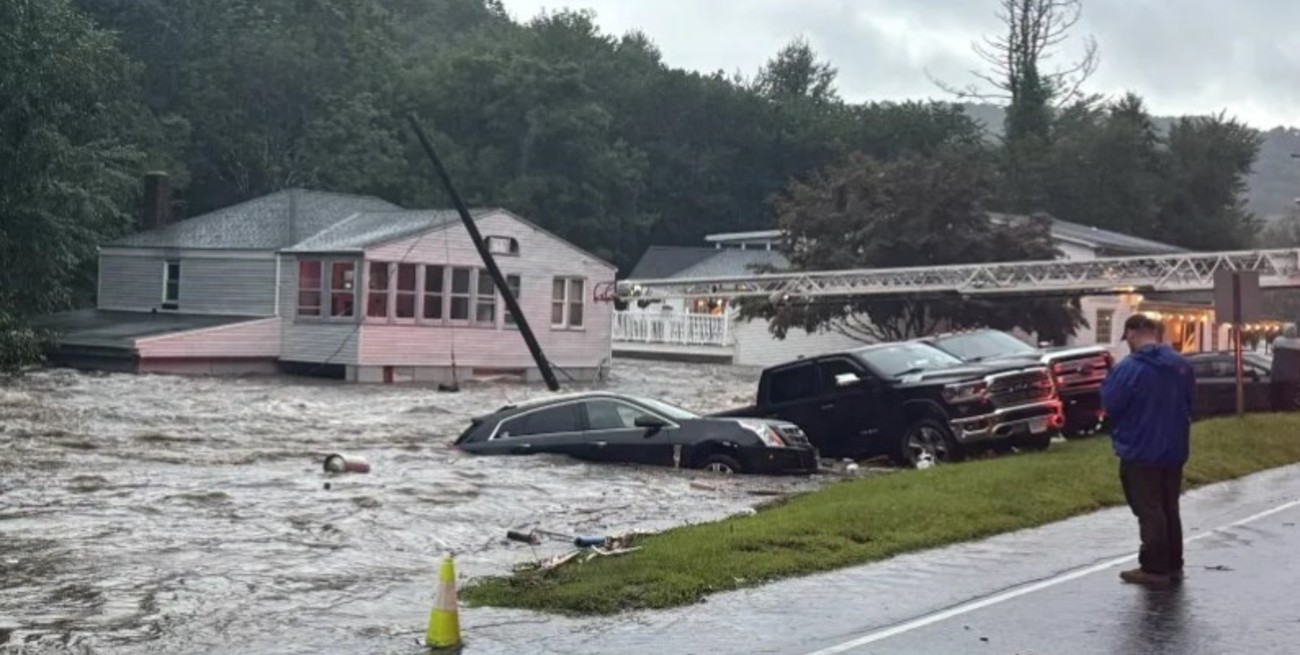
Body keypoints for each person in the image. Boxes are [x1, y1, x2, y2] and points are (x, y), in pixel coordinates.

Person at [1100, 314, 1196, 587]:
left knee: (1149, 508)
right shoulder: (1181, 365)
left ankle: (1154, 567)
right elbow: (1191, 402)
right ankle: (1173, 563)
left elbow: (1111, 403)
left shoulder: (1129, 368)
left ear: (1132, 333)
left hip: (1140, 448)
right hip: (1174, 447)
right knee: (1169, 506)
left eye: (1127, 337)